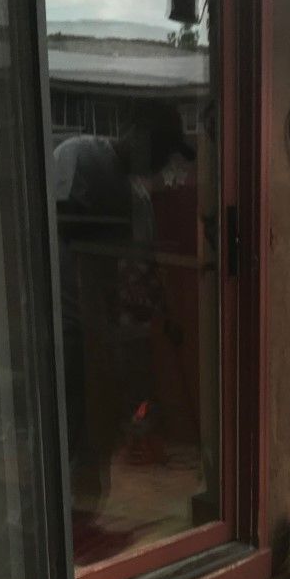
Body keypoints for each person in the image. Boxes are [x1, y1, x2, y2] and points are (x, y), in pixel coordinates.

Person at [54, 100, 194, 512]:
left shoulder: (139, 200)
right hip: (64, 324)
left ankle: (88, 508)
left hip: (107, 333)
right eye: (160, 150)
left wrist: (162, 316)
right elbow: (51, 226)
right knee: (66, 424)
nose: (161, 164)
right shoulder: (78, 156)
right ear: (136, 133)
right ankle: (60, 512)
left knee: (99, 432)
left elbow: (143, 271)